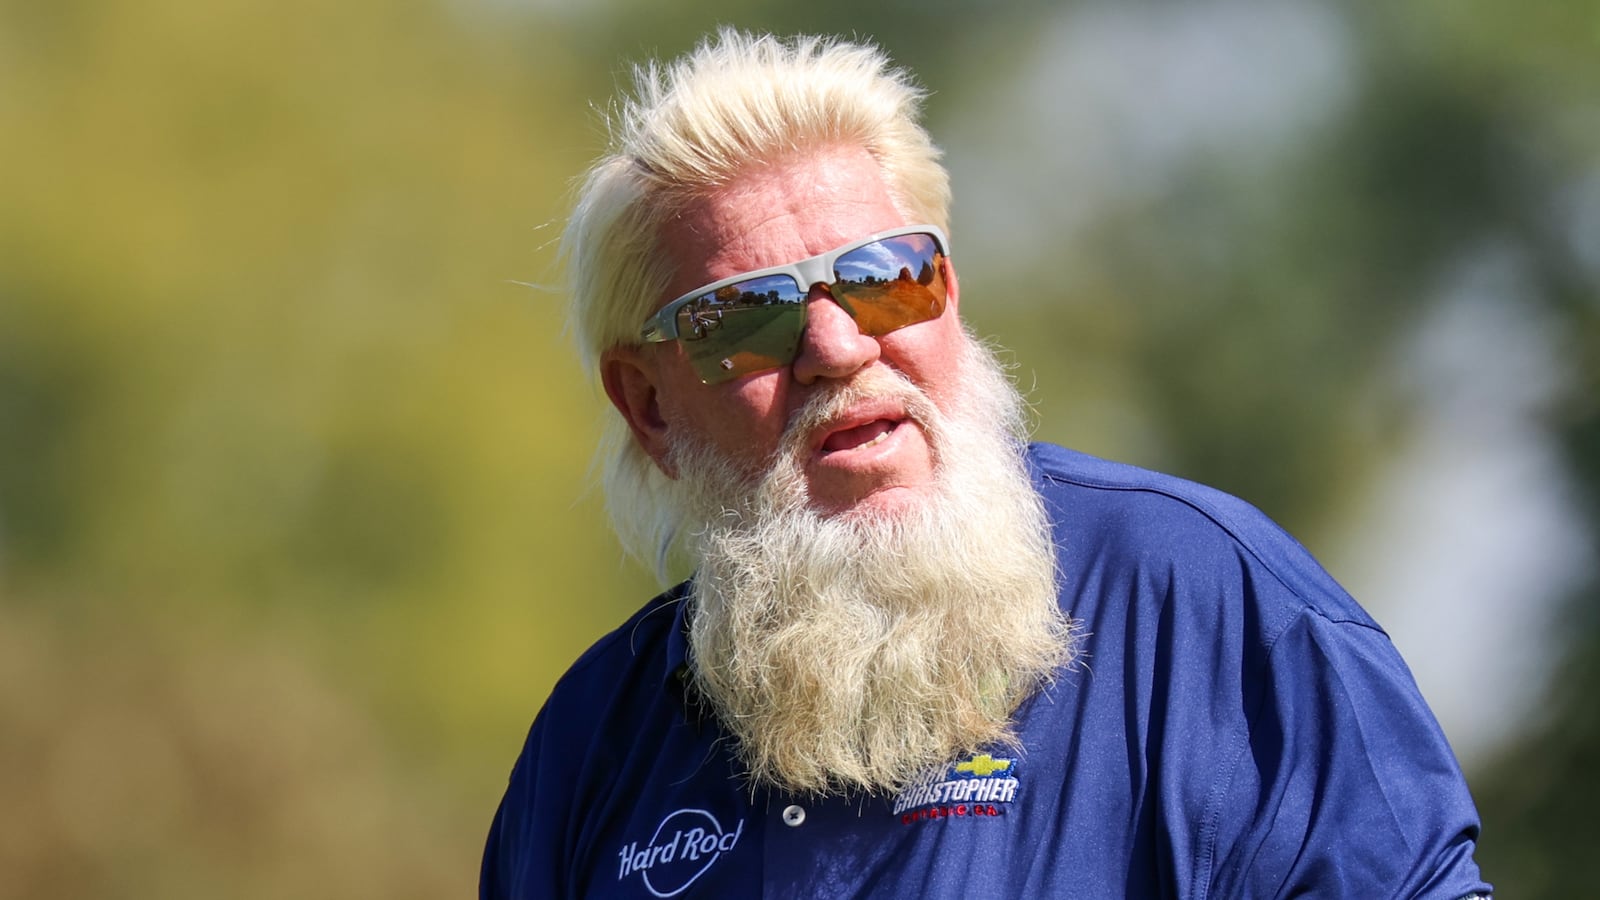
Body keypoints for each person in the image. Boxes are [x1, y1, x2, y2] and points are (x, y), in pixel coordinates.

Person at [481, 29, 1492, 899]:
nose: (836, 348)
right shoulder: (594, 745)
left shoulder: (1206, 605)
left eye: (885, 280)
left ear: (949, 295)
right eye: (748, 314)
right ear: (648, 405)